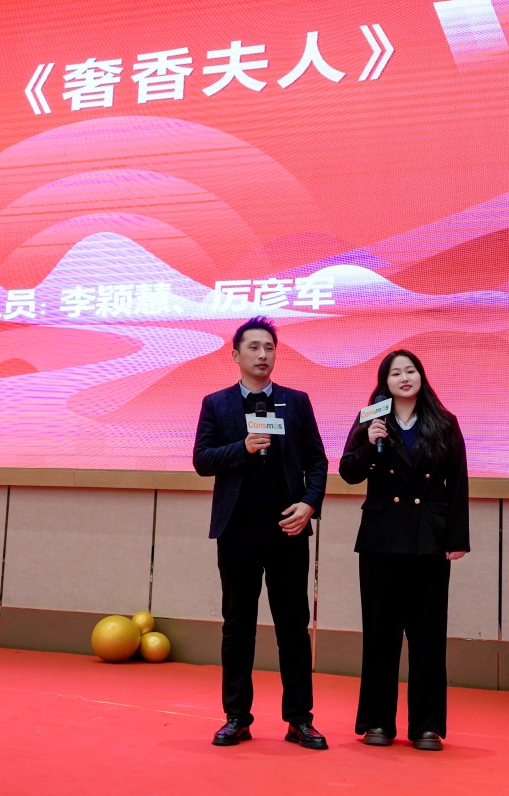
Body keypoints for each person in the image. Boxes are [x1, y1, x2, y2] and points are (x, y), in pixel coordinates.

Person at [193, 316, 330, 750]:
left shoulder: (296, 401)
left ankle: (299, 720)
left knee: (293, 626)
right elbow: (202, 459)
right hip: (238, 531)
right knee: (238, 626)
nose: (262, 354)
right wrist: (244, 447)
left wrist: (309, 504)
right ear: (235, 355)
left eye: (269, 347)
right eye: (253, 347)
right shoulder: (217, 404)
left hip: (288, 528)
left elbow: (318, 461)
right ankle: (237, 717)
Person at [338, 349, 469, 751]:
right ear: (385, 382)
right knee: (381, 633)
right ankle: (377, 721)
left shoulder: (444, 422)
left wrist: (457, 539)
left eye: (410, 370)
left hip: (429, 540)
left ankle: (427, 726)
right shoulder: (370, 419)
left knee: (428, 636)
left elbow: (457, 484)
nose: (404, 378)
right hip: (381, 539)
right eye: (395, 373)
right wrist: (368, 445)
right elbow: (348, 472)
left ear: (421, 377)